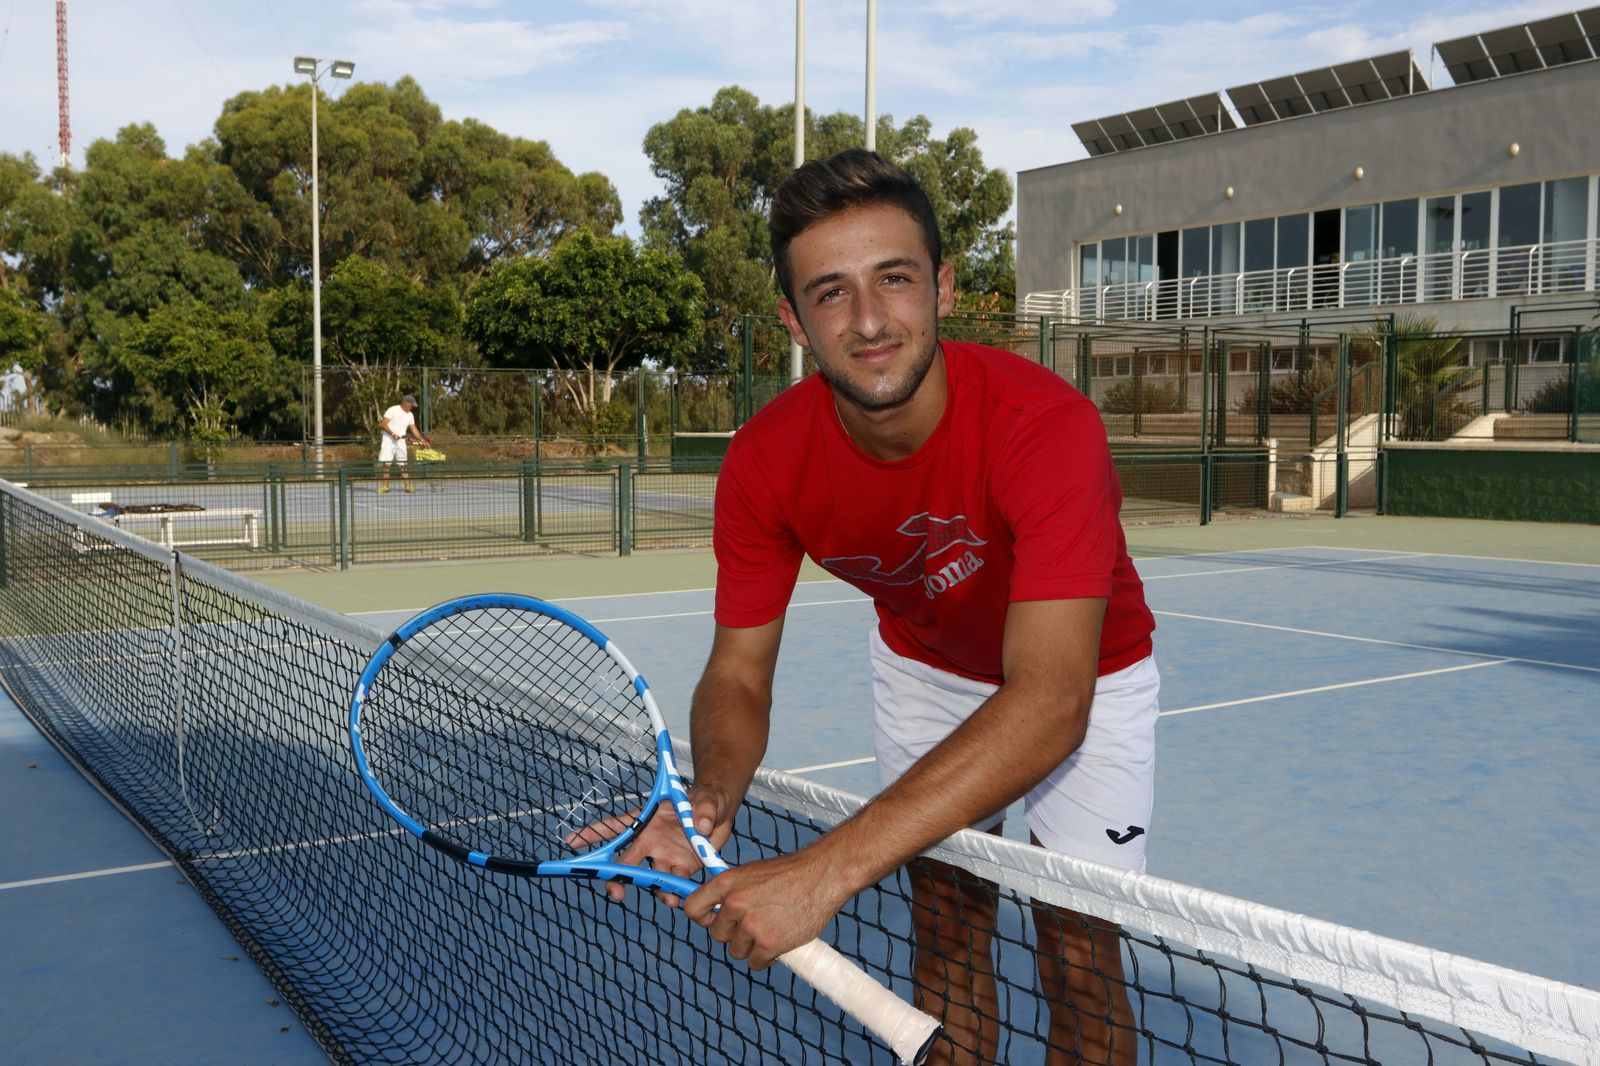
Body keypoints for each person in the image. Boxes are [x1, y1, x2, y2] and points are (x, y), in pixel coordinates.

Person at [610, 149, 1159, 1066]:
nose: (868, 320)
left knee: (1078, 954)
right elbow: (738, 672)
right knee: (945, 925)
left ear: (942, 287)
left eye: (894, 279)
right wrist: (706, 799)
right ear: (794, 320)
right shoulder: (765, 461)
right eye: (831, 293)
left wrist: (820, 875)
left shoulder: (1045, 426)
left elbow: (1050, 702)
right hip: (925, 667)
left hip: (1087, 678)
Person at [377, 395, 428, 494]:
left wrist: (422, 440)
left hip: (401, 442)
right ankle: (385, 487)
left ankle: (408, 486)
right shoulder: (392, 410)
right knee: (386, 464)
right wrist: (392, 434)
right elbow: (383, 424)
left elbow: (413, 429)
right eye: (411, 405)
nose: (412, 407)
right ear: (406, 403)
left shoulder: (410, 415)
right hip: (388, 441)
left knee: (403, 464)